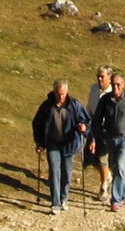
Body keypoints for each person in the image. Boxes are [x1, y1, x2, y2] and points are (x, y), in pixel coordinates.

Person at [30, 80, 89, 214]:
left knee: (66, 173)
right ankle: (55, 202)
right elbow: (37, 123)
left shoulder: (74, 105)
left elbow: (85, 120)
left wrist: (83, 127)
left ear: (67, 92)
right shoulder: (47, 105)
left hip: (69, 143)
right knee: (54, 171)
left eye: (63, 94)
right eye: (58, 94)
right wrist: (39, 142)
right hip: (53, 143)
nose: (61, 97)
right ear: (54, 92)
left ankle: (64, 198)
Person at [90, 71, 125, 211]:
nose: (116, 87)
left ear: (123, 85)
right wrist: (94, 137)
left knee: (120, 166)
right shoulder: (105, 100)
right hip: (110, 138)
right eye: (113, 84)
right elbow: (96, 120)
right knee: (116, 168)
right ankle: (124, 195)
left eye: (118, 85)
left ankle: (116, 200)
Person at [85, 64, 115, 200]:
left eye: (102, 76)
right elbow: (89, 108)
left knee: (103, 158)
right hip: (93, 126)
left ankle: (104, 187)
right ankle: (108, 176)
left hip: (105, 130)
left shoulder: (113, 92)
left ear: (109, 77)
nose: (99, 79)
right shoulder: (94, 88)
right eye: (98, 76)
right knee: (90, 158)